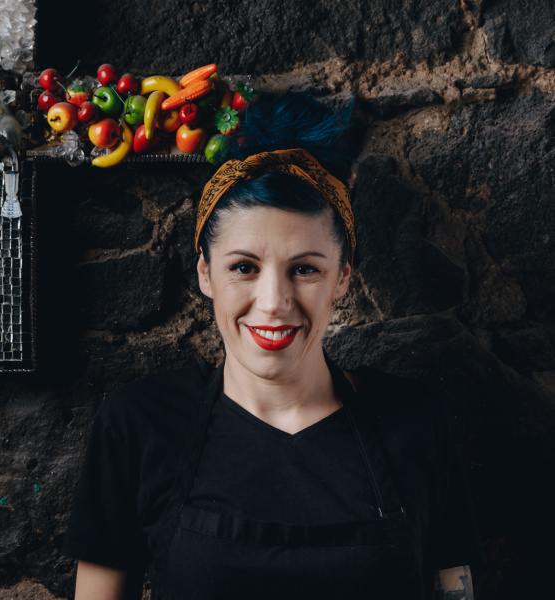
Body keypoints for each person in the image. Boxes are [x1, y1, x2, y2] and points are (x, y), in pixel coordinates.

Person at [61, 93, 485, 599]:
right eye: (244, 267)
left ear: (342, 278)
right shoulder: (137, 424)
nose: (274, 303)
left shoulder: (417, 422)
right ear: (205, 274)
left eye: (304, 269)